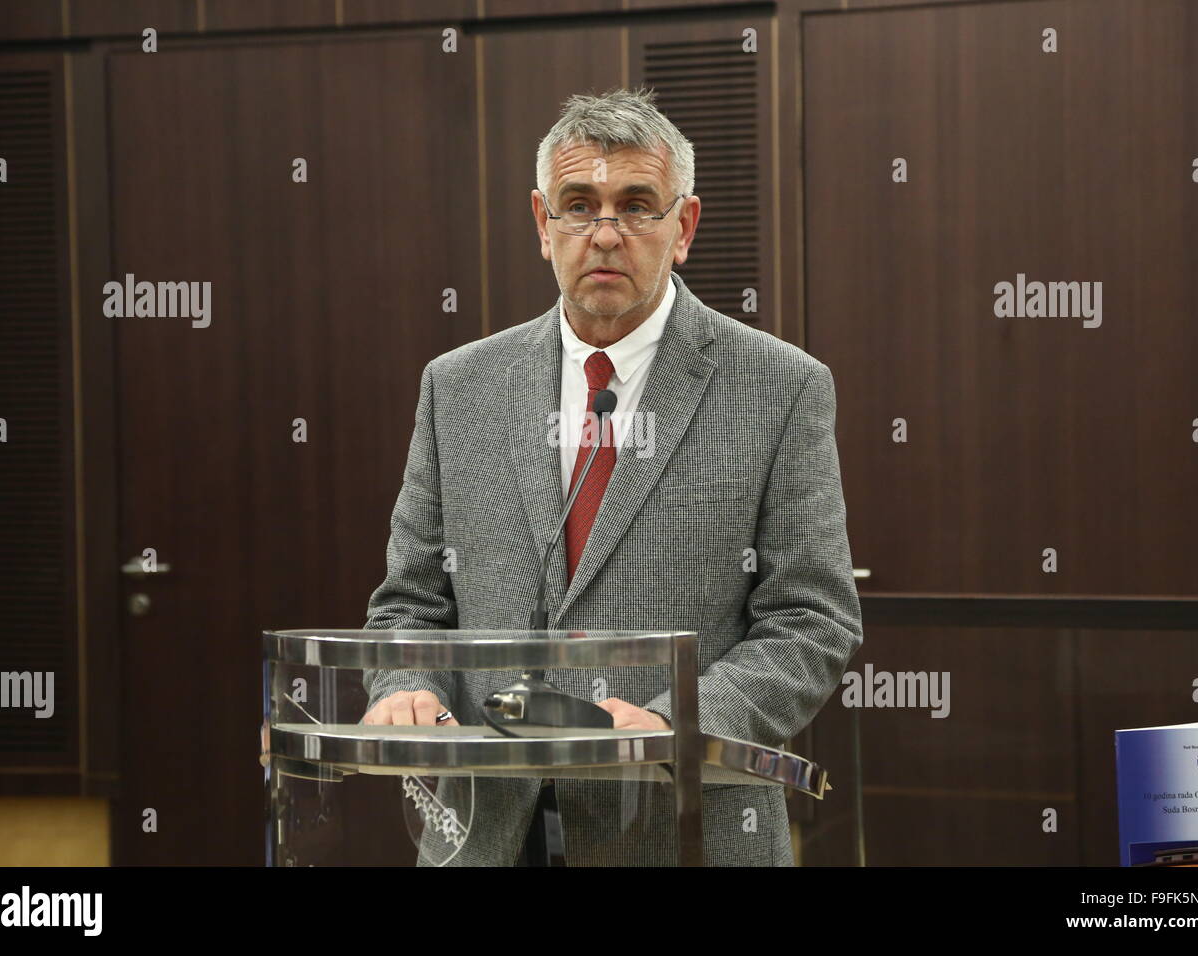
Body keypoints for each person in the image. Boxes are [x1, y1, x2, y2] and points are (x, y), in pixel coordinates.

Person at [361, 86, 862, 866]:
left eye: (636, 206)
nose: (604, 234)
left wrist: (671, 723)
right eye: (577, 205)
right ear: (541, 223)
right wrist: (399, 687)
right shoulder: (458, 386)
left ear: (683, 227)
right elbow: (410, 600)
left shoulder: (781, 386)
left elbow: (811, 620)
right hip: (485, 832)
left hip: (679, 825)